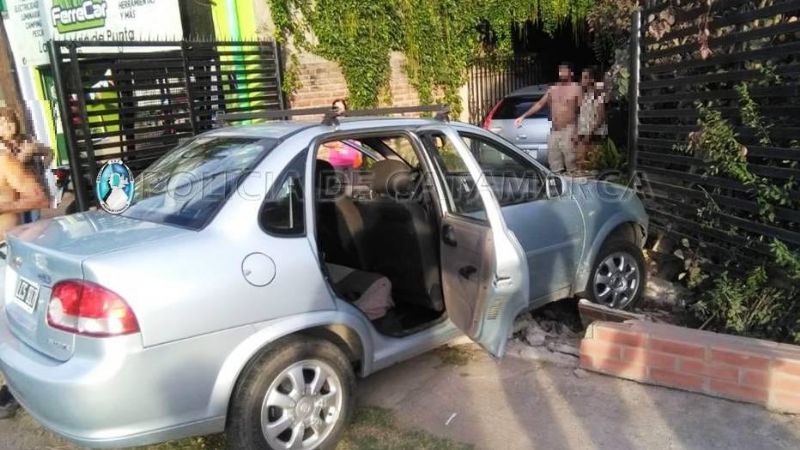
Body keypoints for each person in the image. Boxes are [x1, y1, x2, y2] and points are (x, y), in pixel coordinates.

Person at [0, 107, 50, 420]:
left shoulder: (5, 162)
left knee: (11, 321)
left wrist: (6, 204)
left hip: (4, 251)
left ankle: (15, 387)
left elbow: (39, 197)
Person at [514, 63, 582, 173]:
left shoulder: (576, 89)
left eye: (564, 70)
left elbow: (581, 110)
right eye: (560, 70)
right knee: (555, 165)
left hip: (569, 130)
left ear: (571, 73)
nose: (561, 73)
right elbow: (540, 104)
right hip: (555, 131)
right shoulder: (553, 89)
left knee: (572, 165)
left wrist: (578, 132)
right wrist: (523, 116)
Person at [576, 67, 607, 172]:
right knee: (581, 163)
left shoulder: (597, 95)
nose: (582, 80)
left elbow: (601, 116)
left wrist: (590, 133)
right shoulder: (584, 95)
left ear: (591, 80)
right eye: (582, 77)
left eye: (585, 78)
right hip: (583, 134)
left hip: (594, 136)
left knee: (592, 165)